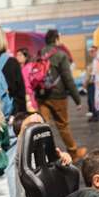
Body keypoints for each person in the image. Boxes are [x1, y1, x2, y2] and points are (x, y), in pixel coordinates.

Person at [36, 30, 86, 161]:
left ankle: (41, 156)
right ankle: (73, 153)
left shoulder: (39, 54)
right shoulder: (61, 54)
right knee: (63, 126)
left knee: (43, 126)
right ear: (56, 40)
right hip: (58, 96)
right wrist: (77, 99)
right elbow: (67, 78)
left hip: (41, 95)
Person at [83, 45, 99, 122]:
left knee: (93, 100)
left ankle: (96, 115)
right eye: (90, 51)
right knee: (91, 100)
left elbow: (89, 74)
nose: (91, 53)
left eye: (93, 51)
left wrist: (85, 83)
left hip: (93, 83)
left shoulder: (95, 61)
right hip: (91, 83)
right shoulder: (91, 60)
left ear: (96, 52)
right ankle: (95, 114)